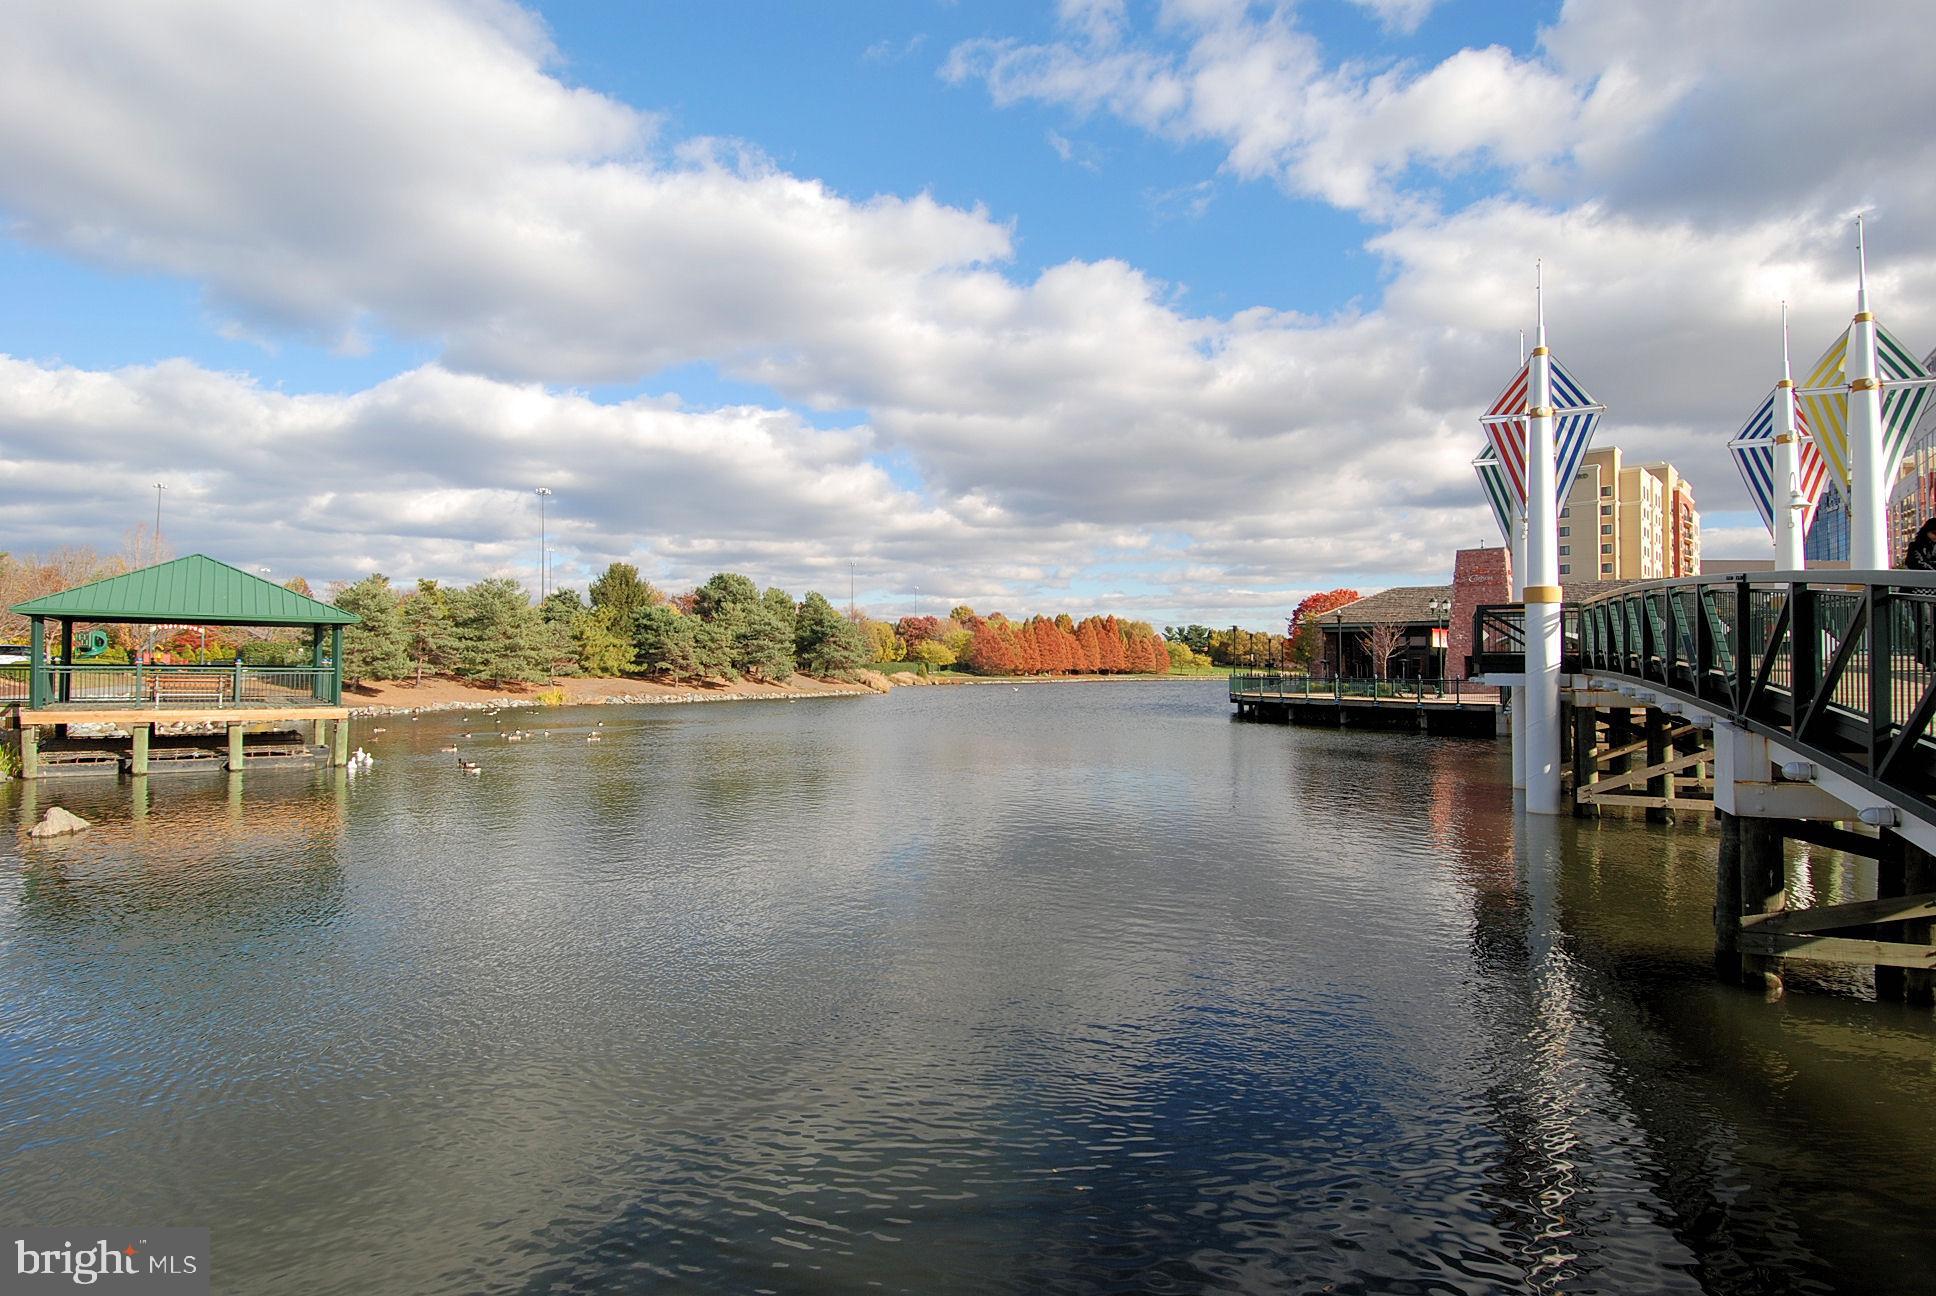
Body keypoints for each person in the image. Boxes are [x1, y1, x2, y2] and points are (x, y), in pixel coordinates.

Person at [1904, 519, 1936, 669]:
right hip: (1918, 590)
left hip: (1931, 590)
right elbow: (1915, 563)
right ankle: (1927, 658)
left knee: (1930, 625)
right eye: (1934, 533)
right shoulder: (1915, 546)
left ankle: (1929, 658)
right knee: (1925, 624)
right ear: (1927, 531)